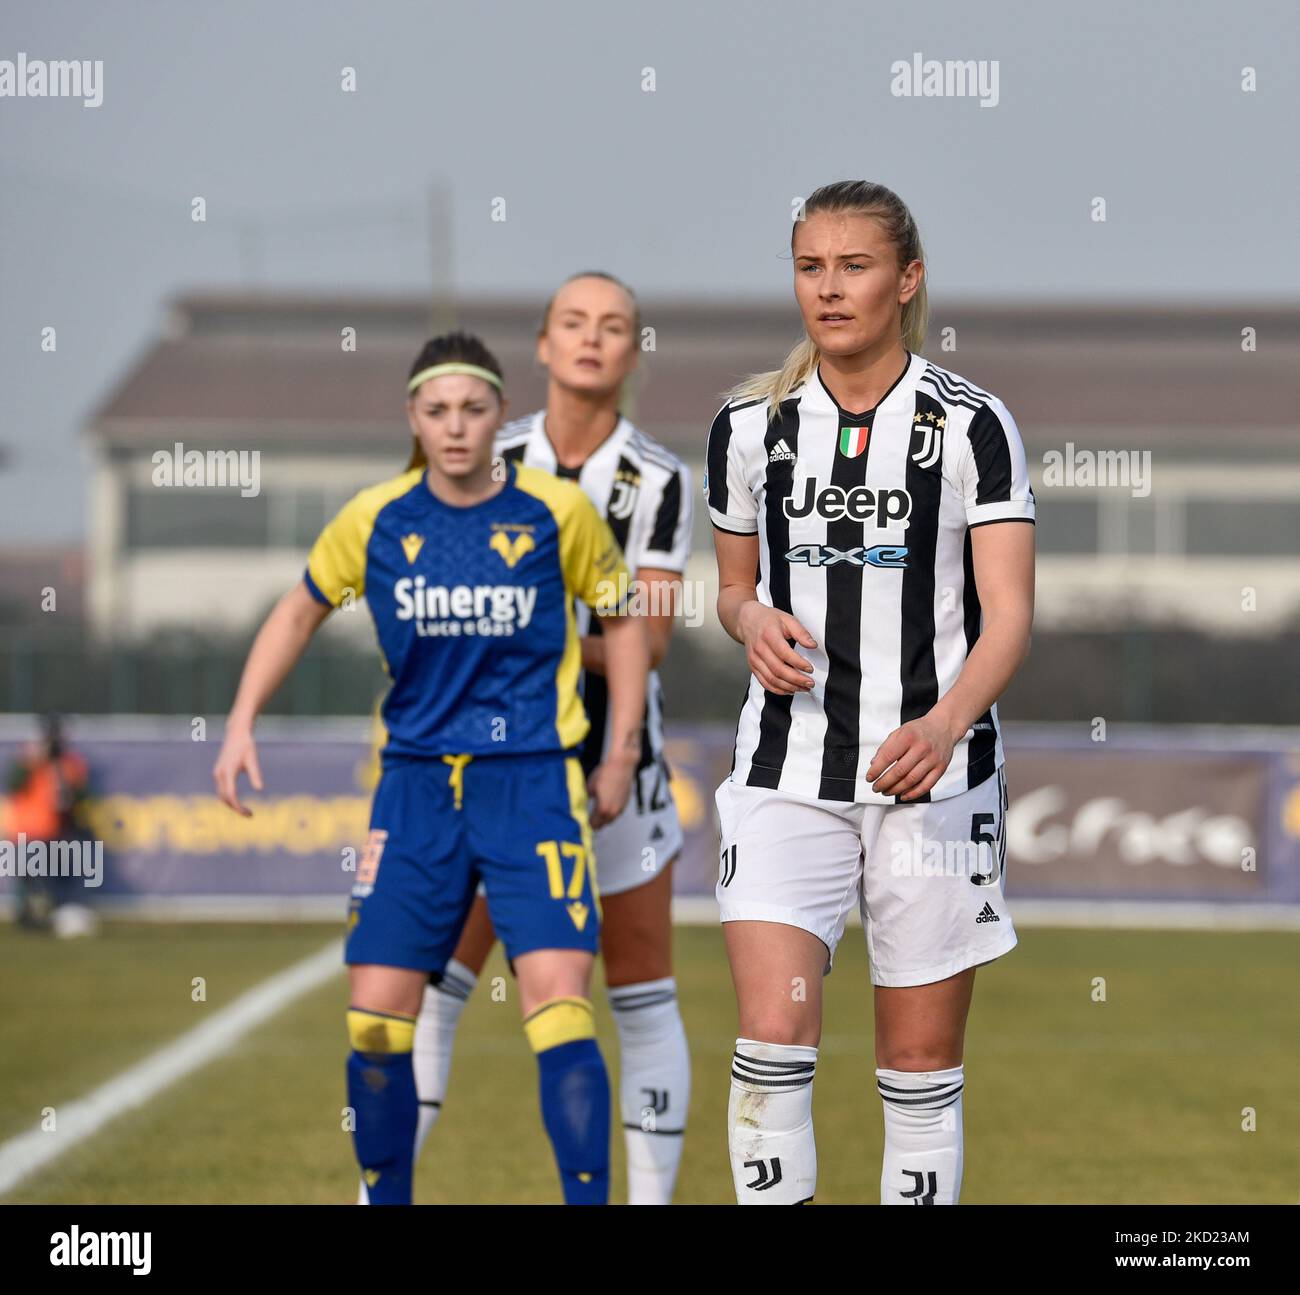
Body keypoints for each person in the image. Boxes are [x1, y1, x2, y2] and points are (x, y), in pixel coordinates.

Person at [214, 332, 649, 1205]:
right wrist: (239, 721)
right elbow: (296, 613)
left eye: (475, 409)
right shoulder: (375, 518)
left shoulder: (557, 513)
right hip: (414, 788)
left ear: (500, 416)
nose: (457, 427)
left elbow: (625, 619)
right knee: (375, 1018)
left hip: (533, 782)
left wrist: (620, 749)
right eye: (438, 410)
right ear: (414, 418)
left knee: (560, 1003)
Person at [705, 180, 1035, 1204]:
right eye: (810, 267)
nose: (830, 288)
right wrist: (751, 620)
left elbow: (1009, 612)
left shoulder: (972, 424)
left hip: (932, 780)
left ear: (907, 280)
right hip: (782, 770)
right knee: (770, 1039)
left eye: (854, 266)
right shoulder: (749, 425)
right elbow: (728, 589)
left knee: (919, 1072)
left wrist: (942, 724)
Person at [405, 272, 694, 1205]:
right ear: (540, 343)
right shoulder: (487, 451)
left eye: (614, 326)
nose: (591, 339)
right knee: (435, 981)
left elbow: (644, 638)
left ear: (632, 353)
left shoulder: (658, 478)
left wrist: (523, 622)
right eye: (573, 322)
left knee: (642, 992)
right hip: (490, 760)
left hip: (620, 764)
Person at [4, 714, 95, 935]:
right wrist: (35, 758)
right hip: (26, 832)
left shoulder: (70, 764)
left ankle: (57, 914)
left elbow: (80, 795)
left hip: (55, 833)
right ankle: (28, 917)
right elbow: (13, 783)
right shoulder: (30, 760)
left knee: (57, 879)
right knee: (29, 880)